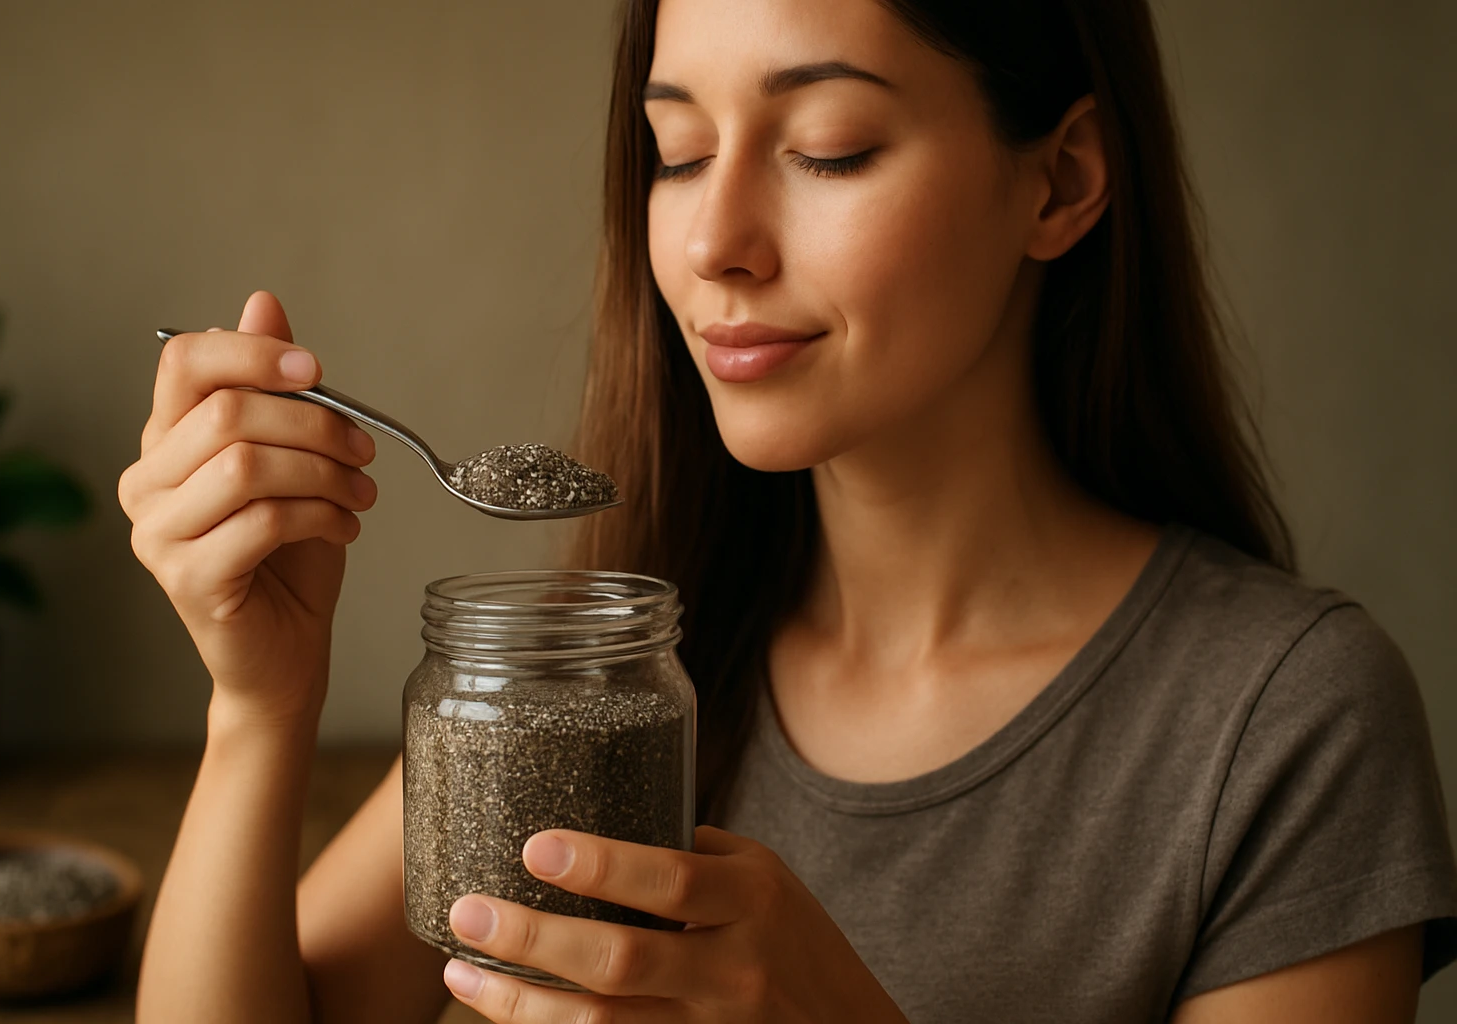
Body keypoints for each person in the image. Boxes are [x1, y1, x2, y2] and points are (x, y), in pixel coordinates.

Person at [118, 0, 1457, 1021]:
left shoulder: (1286, 723)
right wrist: (259, 705)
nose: (713, 245)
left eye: (829, 148)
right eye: (678, 151)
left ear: (1059, 183)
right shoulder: (614, 669)